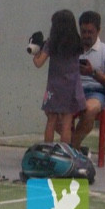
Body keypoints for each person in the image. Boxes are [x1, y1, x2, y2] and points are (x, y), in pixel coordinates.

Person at [31, 9, 86, 144]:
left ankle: (48, 149)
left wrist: (35, 54)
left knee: (51, 120)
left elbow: (39, 63)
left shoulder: (51, 43)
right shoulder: (77, 42)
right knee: (67, 122)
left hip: (54, 87)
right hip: (72, 87)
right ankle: (65, 151)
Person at [71, 10, 105, 150]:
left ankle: (71, 149)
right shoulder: (73, 49)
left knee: (89, 109)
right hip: (74, 90)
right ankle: (75, 148)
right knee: (53, 109)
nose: (86, 35)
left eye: (90, 32)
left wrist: (93, 73)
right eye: (83, 32)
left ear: (98, 31)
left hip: (96, 92)